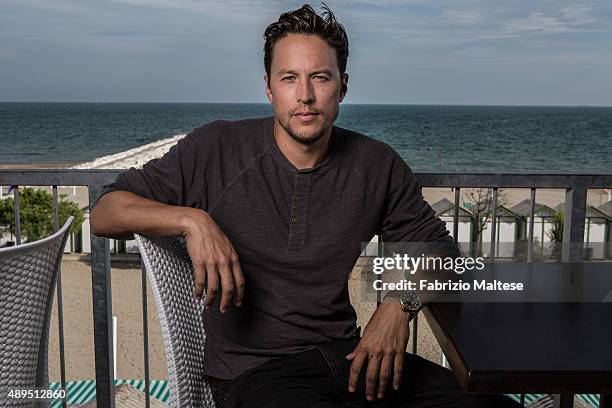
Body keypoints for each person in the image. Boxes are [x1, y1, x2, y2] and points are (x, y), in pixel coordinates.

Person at [91, 4, 521, 408]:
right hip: (256, 373)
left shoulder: (376, 164)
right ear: (268, 88)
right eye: (289, 78)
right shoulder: (216, 148)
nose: (306, 96)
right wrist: (191, 219)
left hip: (351, 358)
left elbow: (442, 255)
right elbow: (106, 211)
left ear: (343, 86)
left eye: (320, 77)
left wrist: (397, 304)